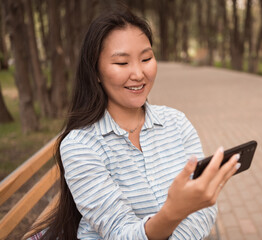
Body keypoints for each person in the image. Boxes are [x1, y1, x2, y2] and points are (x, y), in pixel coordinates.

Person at [33, 8, 240, 240]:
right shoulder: (80, 146)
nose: (138, 73)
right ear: (96, 72)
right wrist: (173, 212)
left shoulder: (177, 123)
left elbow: (203, 209)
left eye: (146, 58)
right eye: (122, 63)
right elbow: (119, 233)